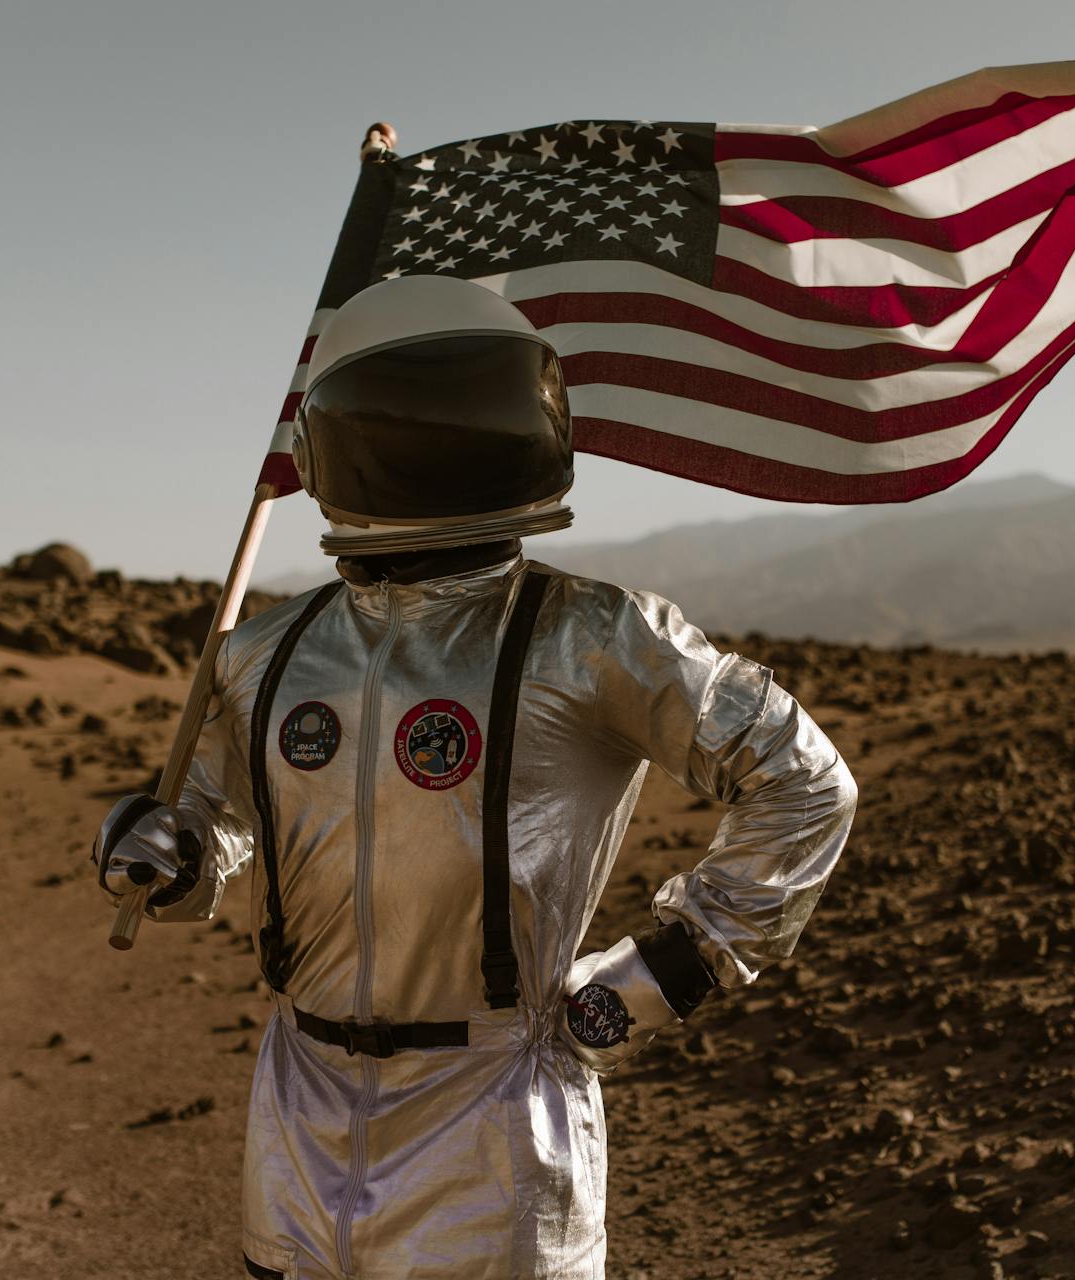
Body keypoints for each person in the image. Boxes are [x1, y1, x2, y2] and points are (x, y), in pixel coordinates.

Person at [92, 276, 857, 1279]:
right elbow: (219, 827)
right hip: (302, 1099)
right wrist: (159, 850)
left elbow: (802, 781)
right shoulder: (265, 653)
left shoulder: (586, 638)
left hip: (493, 1105)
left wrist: (666, 971)